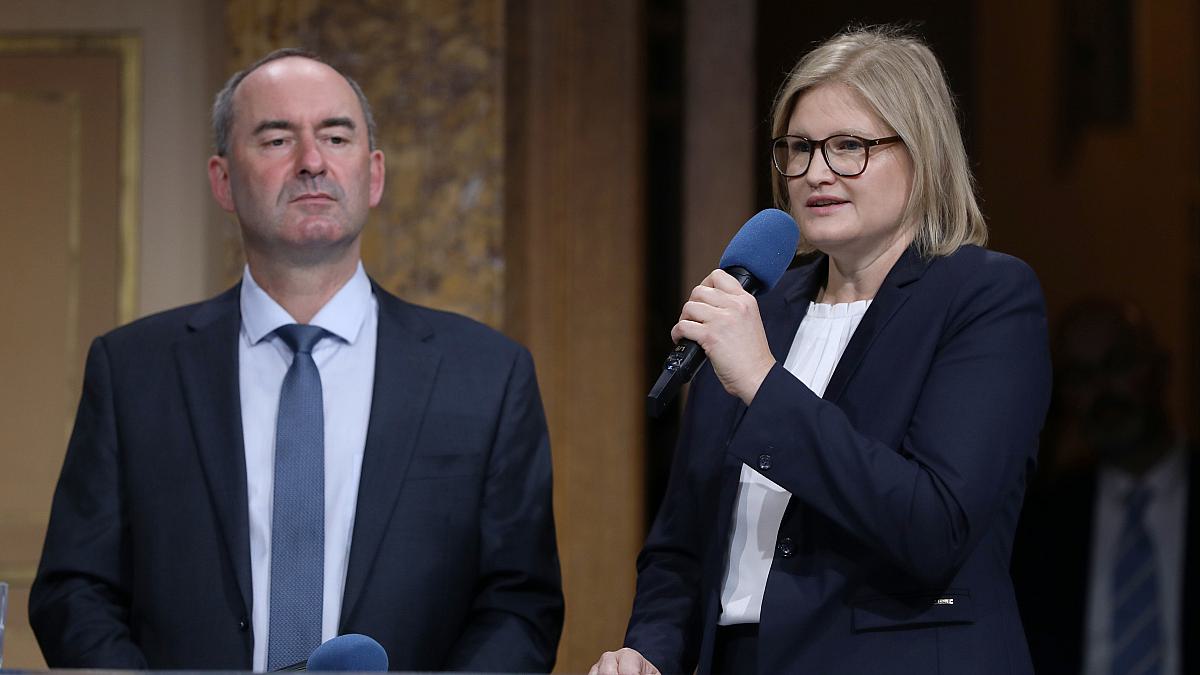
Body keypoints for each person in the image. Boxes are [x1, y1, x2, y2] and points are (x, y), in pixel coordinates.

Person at [29, 49, 563, 672]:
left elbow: (519, 604)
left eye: (336, 137)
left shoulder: (488, 377)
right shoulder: (132, 371)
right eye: (277, 139)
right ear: (223, 180)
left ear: (374, 175)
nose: (312, 162)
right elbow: (76, 591)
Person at [591, 27, 1051, 675]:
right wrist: (650, 652)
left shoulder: (985, 297)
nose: (815, 173)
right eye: (799, 148)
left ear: (922, 152)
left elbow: (933, 525)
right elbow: (682, 544)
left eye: (849, 147)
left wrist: (762, 381)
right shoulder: (759, 308)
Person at [1012, 299, 1199, 675]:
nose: (1103, 390)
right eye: (1080, 376)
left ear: (1161, 368)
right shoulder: (1039, 520)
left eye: (1119, 363)